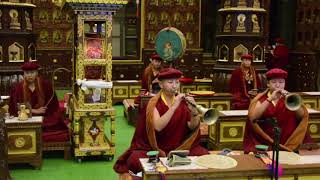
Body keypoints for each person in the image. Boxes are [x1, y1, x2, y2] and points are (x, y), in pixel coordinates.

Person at [114, 68, 208, 175]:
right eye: (170, 82)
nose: (174, 86)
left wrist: (194, 112)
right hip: (156, 148)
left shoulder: (183, 103)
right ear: (161, 84)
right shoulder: (153, 103)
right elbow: (158, 126)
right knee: (134, 159)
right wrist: (173, 107)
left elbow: (191, 126)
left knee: (204, 154)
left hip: (179, 148)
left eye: (177, 82)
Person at [243, 68, 312, 153]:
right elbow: (253, 117)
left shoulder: (290, 98)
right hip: (266, 142)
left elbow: (302, 116)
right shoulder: (261, 99)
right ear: (268, 84)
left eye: (281, 82)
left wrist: (290, 100)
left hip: (288, 142)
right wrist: (270, 99)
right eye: (274, 82)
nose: (278, 85)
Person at [9, 60, 69, 142]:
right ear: (24, 73)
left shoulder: (46, 86)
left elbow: (53, 107)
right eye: (27, 73)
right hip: (25, 118)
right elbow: (15, 107)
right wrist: (34, 111)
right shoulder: (17, 88)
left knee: (53, 123)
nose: (29, 75)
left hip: (45, 118)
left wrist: (43, 114)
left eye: (32, 72)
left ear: (37, 72)